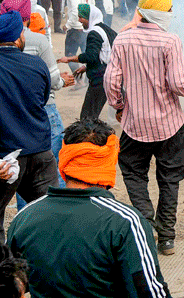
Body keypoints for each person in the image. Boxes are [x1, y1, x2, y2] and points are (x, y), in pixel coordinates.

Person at [104, 0, 184, 256]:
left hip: (134, 126)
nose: (171, 13)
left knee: (133, 175)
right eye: (169, 10)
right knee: (169, 181)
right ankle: (166, 237)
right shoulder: (170, 41)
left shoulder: (122, 39)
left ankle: (145, 223)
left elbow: (111, 81)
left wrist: (119, 106)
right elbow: (177, 84)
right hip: (169, 126)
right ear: (160, 13)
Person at [7, 118, 172, 297]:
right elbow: (150, 292)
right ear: (109, 160)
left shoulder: (24, 217)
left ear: (64, 159)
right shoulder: (126, 222)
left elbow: (11, 285)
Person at [0, 11, 60, 240]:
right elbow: (44, 98)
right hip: (40, 152)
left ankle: (6, 270)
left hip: (5, 159)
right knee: (51, 215)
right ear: (17, 38)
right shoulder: (36, 64)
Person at [58, 5, 117, 119]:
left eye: (82, 17)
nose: (79, 20)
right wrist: (86, 67)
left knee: (87, 117)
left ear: (89, 17)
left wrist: (69, 59)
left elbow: (91, 56)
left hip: (100, 79)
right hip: (110, 76)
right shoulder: (106, 29)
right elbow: (105, 53)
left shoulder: (94, 33)